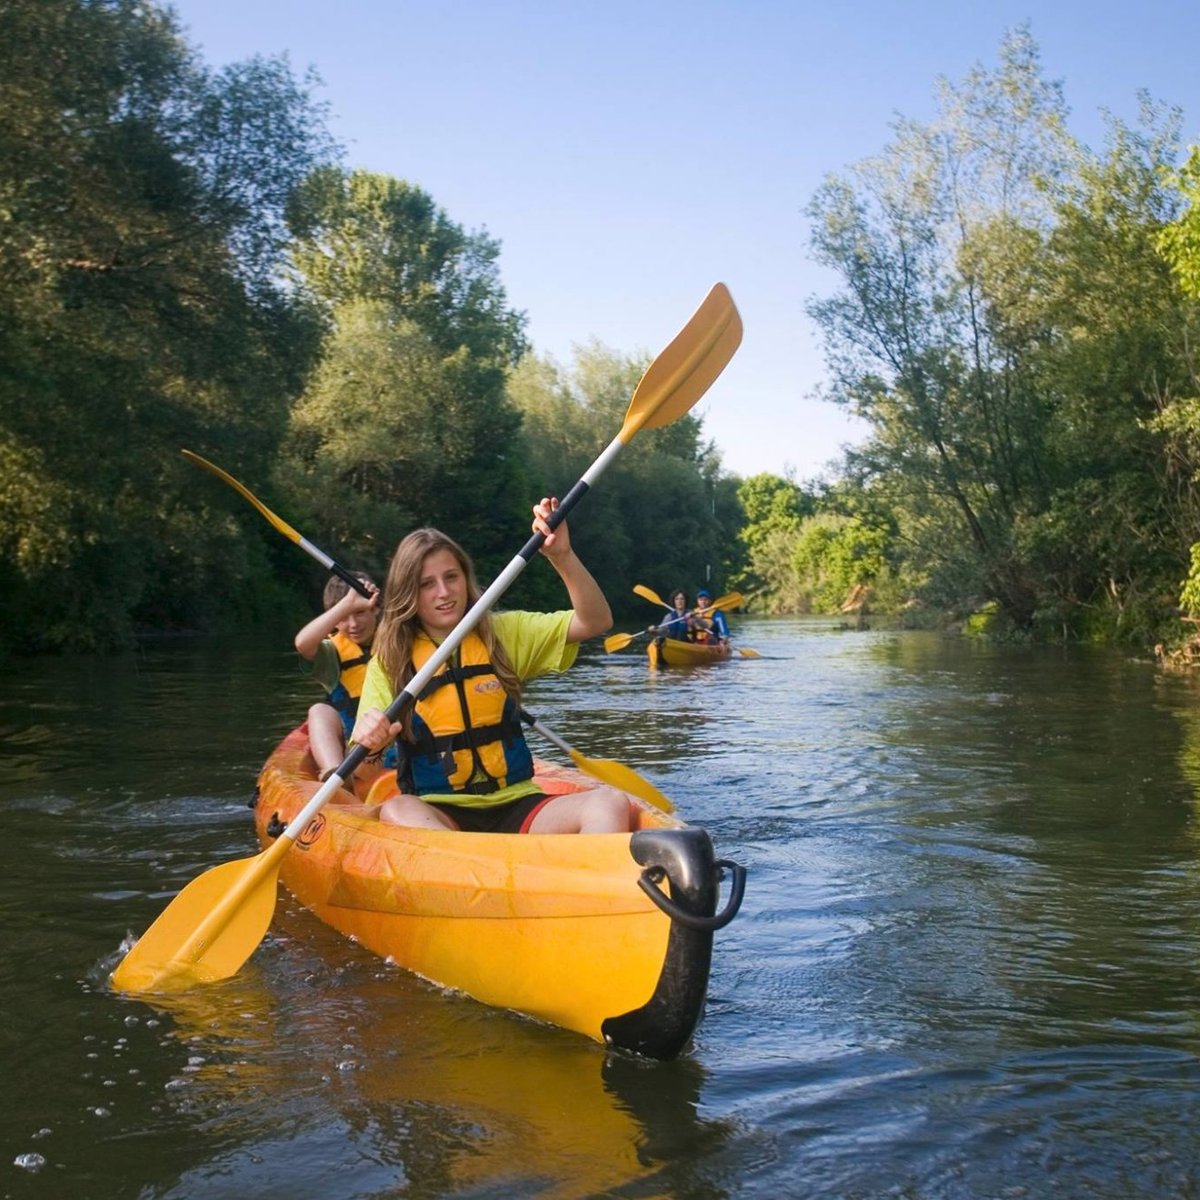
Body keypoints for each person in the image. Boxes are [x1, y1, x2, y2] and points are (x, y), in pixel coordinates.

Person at [351, 498, 634, 833]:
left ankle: (589, 882)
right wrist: (372, 744)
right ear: (408, 592)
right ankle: (469, 871)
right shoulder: (390, 661)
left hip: (517, 804)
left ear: (465, 579)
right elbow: (361, 779)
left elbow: (596, 621)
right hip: (439, 812)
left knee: (609, 802)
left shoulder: (504, 633)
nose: (444, 592)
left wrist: (562, 557)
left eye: (451, 577)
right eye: (427, 584)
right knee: (398, 808)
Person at [294, 571, 386, 782]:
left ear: (376, 608)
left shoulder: (399, 639)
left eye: (360, 612)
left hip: (394, 743)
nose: (353, 624)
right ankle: (335, 776)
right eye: (344, 617)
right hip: (354, 751)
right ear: (333, 618)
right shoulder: (330, 655)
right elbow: (302, 643)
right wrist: (347, 604)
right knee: (319, 710)